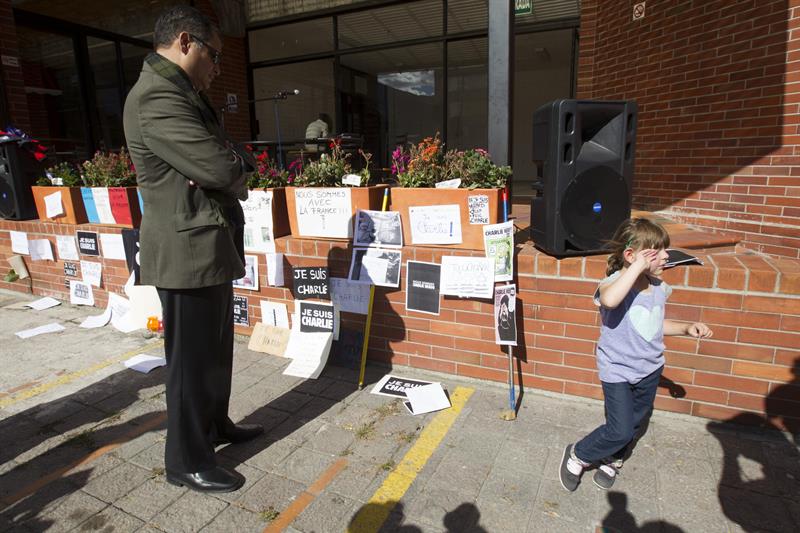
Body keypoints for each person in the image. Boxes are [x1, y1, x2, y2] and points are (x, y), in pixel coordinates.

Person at [123, 5, 262, 493]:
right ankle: (185, 459)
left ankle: (214, 426)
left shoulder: (182, 93)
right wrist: (225, 167)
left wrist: (223, 164)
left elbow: (226, 158)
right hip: (185, 251)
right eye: (214, 56)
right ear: (186, 42)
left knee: (215, 352)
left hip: (207, 242)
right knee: (189, 363)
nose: (218, 67)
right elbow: (224, 169)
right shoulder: (157, 97)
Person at [559, 218, 713, 492]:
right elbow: (610, 300)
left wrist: (686, 328)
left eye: (665, 249)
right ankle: (578, 454)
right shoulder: (612, 284)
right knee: (619, 429)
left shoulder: (658, 288)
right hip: (617, 370)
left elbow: (653, 324)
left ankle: (612, 457)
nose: (666, 256)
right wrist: (636, 267)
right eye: (657, 252)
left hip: (650, 369)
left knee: (635, 423)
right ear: (631, 256)